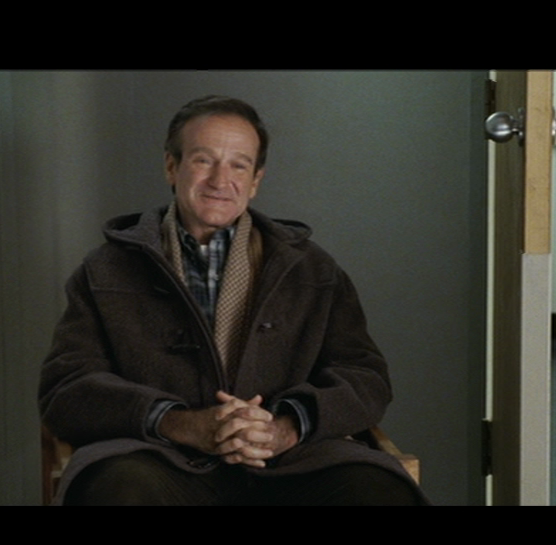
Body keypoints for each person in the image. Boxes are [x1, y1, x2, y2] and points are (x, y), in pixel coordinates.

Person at [39, 95, 427, 505]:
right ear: (172, 167)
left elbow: (364, 376)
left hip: (292, 463)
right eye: (203, 160)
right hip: (160, 460)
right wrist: (179, 423)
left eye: (239, 165)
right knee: (120, 489)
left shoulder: (313, 269)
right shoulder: (106, 270)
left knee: (378, 493)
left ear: (256, 180)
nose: (220, 180)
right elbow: (67, 388)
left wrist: (286, 427)